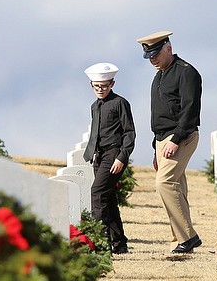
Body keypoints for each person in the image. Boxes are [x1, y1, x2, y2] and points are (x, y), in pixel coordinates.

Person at [135, 31, 203, 254]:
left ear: (168, 48)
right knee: (177, 187)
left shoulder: (186, 73)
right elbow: (160, 114)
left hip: (181, 137)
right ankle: (180, 239)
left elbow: (189, 110)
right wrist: (157, 147)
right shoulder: (159, 76)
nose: (152, 59)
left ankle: (189, 236)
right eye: (149, 56)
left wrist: (174, 139)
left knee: (164, 183)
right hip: (162, 140)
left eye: (155, 54)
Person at [82, 62, 136, 254]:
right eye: (96, 86)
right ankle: (119, 243)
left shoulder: (120, 103)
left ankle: (100, 242)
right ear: (91, 85)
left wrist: (122, 157)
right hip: (99, 155)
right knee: (108, 198)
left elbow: (129, 133)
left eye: (104, 86)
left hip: (114, 154)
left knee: (97, 192)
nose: (100, 89)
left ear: (112, 84)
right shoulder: (94, 106)